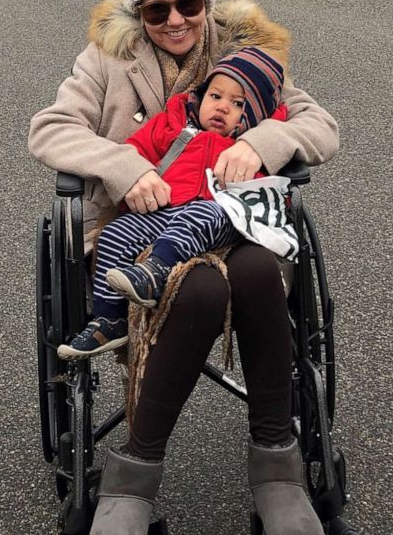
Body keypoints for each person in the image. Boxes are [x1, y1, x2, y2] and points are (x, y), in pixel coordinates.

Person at [28, 0, 339, 535]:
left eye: (188, 4)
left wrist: (263, 143)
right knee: (199, 288)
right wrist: (119, 167)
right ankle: (130, 481)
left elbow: (319, 125)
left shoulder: (246, 58)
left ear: (207, 1)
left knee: (254, 272)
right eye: (156, 9)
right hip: (137, 234)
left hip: (231, 225)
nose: (175, 21)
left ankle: (278, 470)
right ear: (139, 13)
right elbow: (51, 127)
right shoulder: (106, 60)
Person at [56, 45, 288, 361]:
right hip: (166, 207)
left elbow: (273, 190)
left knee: (200, 213)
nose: (221, 108)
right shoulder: (175, 124)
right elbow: (134, 149)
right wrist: (130, 172)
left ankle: (155, 272)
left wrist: (262, 148)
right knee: (114, 234)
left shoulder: (249, 142)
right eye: (215, 97)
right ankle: (109, 319)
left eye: (237, 104)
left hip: (222, 215)